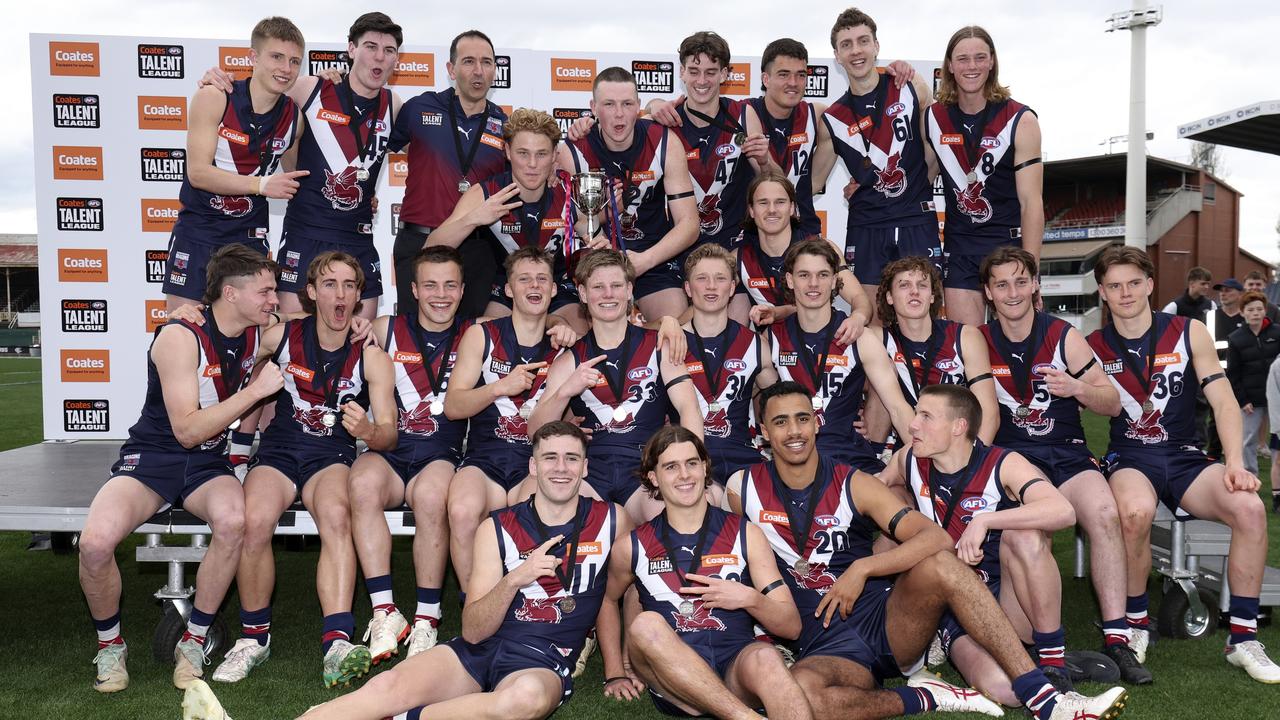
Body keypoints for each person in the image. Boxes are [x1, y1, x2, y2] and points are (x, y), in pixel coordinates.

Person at [725, 381, 1128, 720]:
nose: (794, 431)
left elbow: (935, 538)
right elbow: (740, 567)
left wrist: (863, 568)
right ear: (762, 430)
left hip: (886, 623)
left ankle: (1047, 697)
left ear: (817, 423)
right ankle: (929, 696)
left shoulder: (852, 482)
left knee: (941, 561)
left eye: (802, 418)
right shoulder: (741, 489)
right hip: (822, 645)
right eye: (780, 422)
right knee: (803, 698)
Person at [287, 421, 617, 720]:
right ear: (533, 465)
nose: (561, 468)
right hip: (483, 648)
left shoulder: (612, 520)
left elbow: (624, 589)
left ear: (585, 467)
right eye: (550, 458)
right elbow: (473, 630)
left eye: (572, 458)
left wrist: (619, 668)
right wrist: (515, 578)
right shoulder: (498, 527)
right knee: (384, 688)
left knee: (522, 700)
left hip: (541, 661)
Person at [79, 245, 282, 693]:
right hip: (154, 457)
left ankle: (193, 640)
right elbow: (187, 431)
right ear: (231, 293)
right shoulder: (179, 336)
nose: (274, 299)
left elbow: (318, 330)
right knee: (94, 544)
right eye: (266, 290)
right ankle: (111, 646)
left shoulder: (259, 330)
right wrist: (254, 393)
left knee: (234, 521)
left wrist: (363, 324)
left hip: (207, 463)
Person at [1085, 245, 1280, 683]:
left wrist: (1234, 462)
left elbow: (1224, 400)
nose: (1126, 293)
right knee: (1133, 514)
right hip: (1131, 457)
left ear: (1150, 284)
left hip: (1184, 455)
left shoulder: (1189, 331)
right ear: (1102, 292)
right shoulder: (1091, 345)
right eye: (1114, 286)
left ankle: (1243, 637)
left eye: (1134, 283)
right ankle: (1135, 624)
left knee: (1248, 508)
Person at [212, 252, 399, 687]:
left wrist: (369, 430)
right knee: (254, 521)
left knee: (337, 517)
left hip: (329, 456)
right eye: (330, 284)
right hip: (278, 452)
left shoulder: (372, 358)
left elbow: (389, 434)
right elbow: (225, 336)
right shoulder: (279, 336)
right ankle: (253, 639)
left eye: (350, 285)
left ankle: (336, 641)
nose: (341, 294)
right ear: (312, 293)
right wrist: (190, 315)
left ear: (358, 296)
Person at [979, 246, 1149, 684]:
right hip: (1016, 462)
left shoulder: (1062, 335)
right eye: (1002, 284)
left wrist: (1077, 387)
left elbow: (1112, 403)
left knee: (1106, 512)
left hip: (1068, 453)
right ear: (988, 292)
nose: (1013, 292)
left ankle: (1118, 638)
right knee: (1027, 532)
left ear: (1035, 285)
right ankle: (1045, 644)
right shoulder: (976, 339)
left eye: (1021, 281)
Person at [880, 384, 1078, 704]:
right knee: (1007, 693)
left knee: (1025, 534)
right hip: (956, 608)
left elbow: (1064, 511)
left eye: (926, 416)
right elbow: (865, 493)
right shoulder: (908, 460)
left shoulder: (1002, 462)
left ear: (959, 427)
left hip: (1009, 606)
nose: (913, 425)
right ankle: (938, 643)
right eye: (916, 414)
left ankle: (1053, 662)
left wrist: (985, 520)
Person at [599, 426, 810, 719]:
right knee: (645, 625)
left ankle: (728, 708)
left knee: (767, 657)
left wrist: (751, 599)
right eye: (671, 467)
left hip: (735, 663)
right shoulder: (631, 546)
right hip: (673, 681)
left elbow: (792, 627)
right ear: (654, 478)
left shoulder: (746, 533)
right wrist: (615, 670)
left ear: (705, 468)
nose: (684, 475)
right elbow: (607, 599)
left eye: (692, 463)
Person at [340, 246, 475, 667]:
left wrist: (563, 324)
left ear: (462, 289)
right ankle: (384, 612)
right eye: (430, 285)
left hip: (440, 454)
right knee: (360, 483)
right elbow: (308, 328)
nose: (440, 294)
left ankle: (427, 618)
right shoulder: (384, 326)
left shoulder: (478, 332)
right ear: (413, 289)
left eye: (450, 285)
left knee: (434, 498)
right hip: (390, 449)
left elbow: (544, 323)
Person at [529, 250, 703, 523]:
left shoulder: (659, 344)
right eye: (598, 287)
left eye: (617, 286)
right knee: (559, 516)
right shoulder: (569, 359)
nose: (608, 294)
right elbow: (534, 431)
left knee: (671, 518)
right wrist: (565, 391)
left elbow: (688, 407)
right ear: (584, 294)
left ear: (629, 290)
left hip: (646, 465)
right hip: (591, 471)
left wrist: (693, 463)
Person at [444, 247, 569, 604]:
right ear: (509, 289)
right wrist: (500, 386)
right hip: (485, 458)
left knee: (538, 515)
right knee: (462, 510)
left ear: (554, 289)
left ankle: (528, 611)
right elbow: (453, 406)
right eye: (524, 279)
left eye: (542, 278)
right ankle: (475, 607)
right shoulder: (482, 336)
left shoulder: (564, 343)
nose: (534, 286)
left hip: (536, 462)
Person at [164, 16, 305, 313]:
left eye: (294, 61)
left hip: (248, 240)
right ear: (253, 57)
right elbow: (198, 173)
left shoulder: (294, 118)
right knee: (183, 330)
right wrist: (262, 184)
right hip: (201, 233)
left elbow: (301, 178)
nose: (286, 68)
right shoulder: (215, 96)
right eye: (276, 57)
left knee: (244, 344)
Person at [822, 9, 942, 322]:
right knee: (872, 321)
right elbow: (809, 183)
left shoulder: (911, 86)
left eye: (863, 41)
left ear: (876, 45)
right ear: (837, 55)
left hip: (916, 219)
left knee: (927, 319)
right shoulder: (833, 118)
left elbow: (935, 149)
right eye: (846, 44)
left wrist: (916, 189)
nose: (856, 50)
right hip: (867, 226)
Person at [756, 239, 914, 473]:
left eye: (822, 275)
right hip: (794, 457)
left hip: (848, 456)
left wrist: (921, 458)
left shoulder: (858, 336)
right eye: (803, 275)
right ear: (790, 280)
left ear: (834, 281)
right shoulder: (771, 338)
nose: (813, 284)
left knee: (898, 500)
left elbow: (898, 408)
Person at [559, 67, 700, 323]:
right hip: (597, 258)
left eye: (626, 103)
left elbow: (690, 224)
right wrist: (607, 253)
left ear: (638, 106)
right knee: (588, 330)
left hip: (651, 257)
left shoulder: (663, 142)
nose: (619, 114)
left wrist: (644, 261)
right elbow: (575, 223)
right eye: (609, 104)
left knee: (674, 325)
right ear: (593, 107)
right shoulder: (573, 151)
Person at [925, 26, 1043, 326]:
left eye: (980, 57)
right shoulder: (933, 117)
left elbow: (1031, 202)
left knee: (1015, 347)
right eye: (963, 59)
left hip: (1008, 247)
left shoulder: (1021, 119)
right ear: (949, 65)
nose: (972, 66)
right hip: (960, 247)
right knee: (969, 348)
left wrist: (1032, 271)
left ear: (992, 62)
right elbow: (918, 176)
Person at [390, 30, 510, 318]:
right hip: (418, 243)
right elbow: (374, 145)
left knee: (469, 343)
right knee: (413, 340)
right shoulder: (418, 109)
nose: (478, 71)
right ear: (451, 69)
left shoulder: (505, 125)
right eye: (468, 61)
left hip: (477, 249)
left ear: (495, 69)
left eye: (487, 62)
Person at [430, 108, 579, 322]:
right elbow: (430, 247)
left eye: (542, 154)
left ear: (555, 154)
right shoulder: (487, 193)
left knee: (580, 337)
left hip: (558, 289)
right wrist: (474, 218)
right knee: (486, 336)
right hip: (505, 291)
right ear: (508, 151)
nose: (532, 164)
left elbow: (598, 232)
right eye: (523, 153)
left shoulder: (568, 193)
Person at [868, 256, 998, 445]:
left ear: (932, 296)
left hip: (958, 446)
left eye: (922, 285)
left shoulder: (965, 336)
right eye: (904, 285)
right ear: (889, 297)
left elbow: (989, 412)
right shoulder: (876, 339)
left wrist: (973, 462)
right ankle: (874, 459)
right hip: (907, 445)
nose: (914, 292)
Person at [734, 171, 872, 336]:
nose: (772, 210)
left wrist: (857, 317)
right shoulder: (739, 258)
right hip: (773, 351)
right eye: (763, 203)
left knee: (871, 337)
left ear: (792, 208)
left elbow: (860, 299)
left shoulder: (822, 247)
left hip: (825, 344)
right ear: (751, 210)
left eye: (780, 202)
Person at [677, 244, 765, 489]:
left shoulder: (756, 344)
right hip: (689, 460)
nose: (712, 286)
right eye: (702, 278)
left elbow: (778, 393)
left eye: (720, 278)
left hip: (743, 457)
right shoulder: (670, 343)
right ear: (687, 288)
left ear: (732, 287)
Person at [743, 39, 832, 239]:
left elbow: (862, 125)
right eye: (783, 75)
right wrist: (657, 105)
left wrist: (863, 180)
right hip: (755, 236)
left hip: (804, 231)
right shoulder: (743, 113)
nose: (793, 83)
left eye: (800, 75)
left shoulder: (817, 114)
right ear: (766, 79)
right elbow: (687, 112)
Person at [1226, 291, 1280, 477]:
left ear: (1265, 311)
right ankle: (1250, 475)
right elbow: (1233, 374)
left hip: (1277, 397)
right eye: (1251, 309)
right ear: (1243, 313)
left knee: (1278, 438)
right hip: (1251, 399)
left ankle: (1278, 472)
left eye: (1259, 309)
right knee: (1247, 440)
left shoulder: (1277, 332)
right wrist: (1243, 400)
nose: (1255, 312)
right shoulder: (1235, 338)